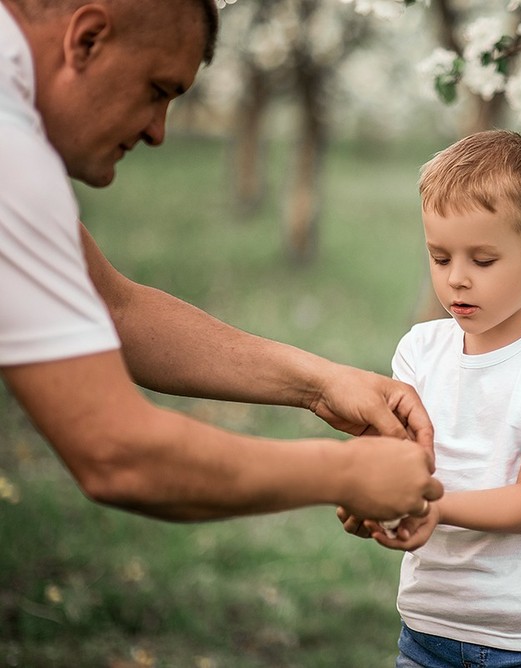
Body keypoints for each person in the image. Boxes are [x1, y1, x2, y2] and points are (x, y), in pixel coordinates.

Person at [0, 0, 442, 526]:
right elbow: (117, 453)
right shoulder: (12, 157)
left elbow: (116, 310)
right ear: (88, 39)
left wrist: (323, 381)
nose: (157, 132)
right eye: (156, 91)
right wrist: (346, 472)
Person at [343, 130, 521, 666]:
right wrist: (366, 493)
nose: (457, 281)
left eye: (483, 261)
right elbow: (394, 460)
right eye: (440, 258)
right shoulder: (420, 351)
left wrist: (430, 505)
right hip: (427, 630)